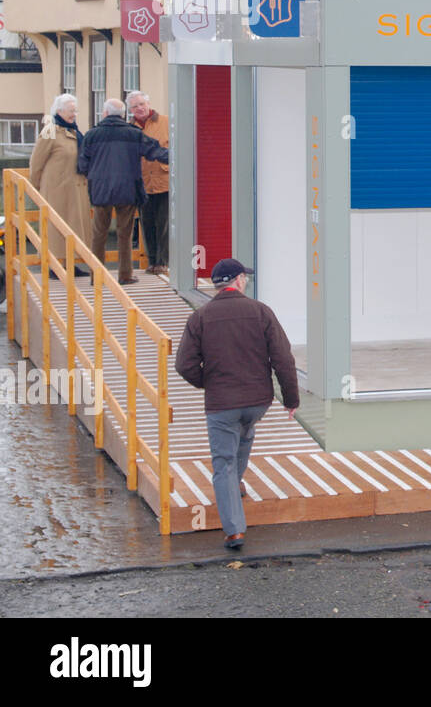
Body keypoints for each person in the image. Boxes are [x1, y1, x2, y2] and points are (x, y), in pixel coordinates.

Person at [176, 258, 299, 550]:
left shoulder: (200, 317)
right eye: (245, 277)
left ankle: (234, 531)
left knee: (224, 462)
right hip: (258, 402)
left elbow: (184, 364)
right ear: (239, 280)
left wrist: (208, 382)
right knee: (245, 432)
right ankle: (236, 490)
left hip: (222, 404)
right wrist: (291, 399)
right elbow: (283, 359)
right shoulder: (260, 312)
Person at [78, 98, 169, 285]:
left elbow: (82, 164)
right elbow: (156, 152)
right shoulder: (133, 133)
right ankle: (125, 275)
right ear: (123, 115)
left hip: (101, 191)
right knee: (124, 234)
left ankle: (97, 276)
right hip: (128, 189)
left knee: (99, 234)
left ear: (104, 114)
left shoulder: (92, 135)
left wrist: (94, 176)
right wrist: (181, 157)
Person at [28, 94, 93, 271]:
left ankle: (69, 266)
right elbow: (36, 162)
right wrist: (35, 187)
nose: (74, 114)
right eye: (71, 111)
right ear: (59, 111)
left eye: (75, 110)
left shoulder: (74, 131)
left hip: (74, 188)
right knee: (56, 230)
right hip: (57, 190)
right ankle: (54, 267)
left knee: (72, 229)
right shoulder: (50, 131)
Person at [126, 91, 169, 275]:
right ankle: (152, 261)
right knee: (147, 224)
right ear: (130, 110)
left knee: (164, 224)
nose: (140, 108)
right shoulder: (129, 129)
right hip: (143, 184)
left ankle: (163, 262)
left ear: (148, 103)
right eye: (135, 106)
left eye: (142, 104)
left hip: (165, 181)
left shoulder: (166, 122)